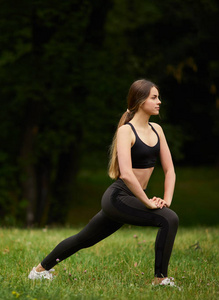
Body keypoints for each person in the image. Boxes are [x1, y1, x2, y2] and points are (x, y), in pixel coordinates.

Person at [28, 79, 179, 287]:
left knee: (85, 239)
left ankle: (39, 271)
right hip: (118, 198)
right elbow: (126, 174)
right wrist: (148, 202)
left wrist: (166, 200)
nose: (159, 101)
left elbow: (170, 170)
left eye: (158, 97)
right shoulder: (126, 131)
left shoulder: (157, 130)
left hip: (132, 197)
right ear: (140, 100)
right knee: (169, 220)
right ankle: (160, 279)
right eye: (154, 97)